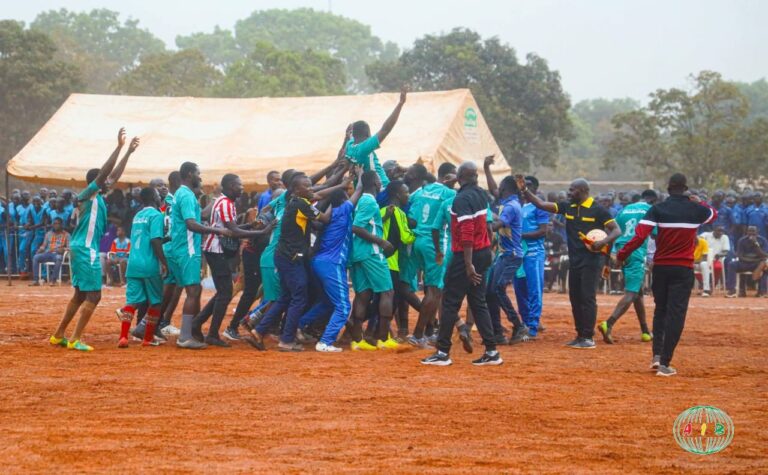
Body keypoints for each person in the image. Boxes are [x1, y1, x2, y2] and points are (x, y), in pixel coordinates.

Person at [616, 173, 717, 377]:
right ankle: (665, 363)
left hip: (661, 268)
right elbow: (713, 214)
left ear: (668, 188)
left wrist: (621, 255)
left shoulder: (658, 209)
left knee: (660, 311)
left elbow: (639, 236)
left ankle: (656, 356)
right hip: (683, 269)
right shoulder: (696, 209)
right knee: (676, 314)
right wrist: (699, 201)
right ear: (685, 189)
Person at [49, 129, 138, 352]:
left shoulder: (96, 196)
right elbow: (106, 173)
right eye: (104, 180)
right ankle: (75, 338)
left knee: (80, 294)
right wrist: (118, 147)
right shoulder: (87, 194)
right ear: (96, 182)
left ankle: (59, 335)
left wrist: (128, 152)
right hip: (85, 249)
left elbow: (113, 176)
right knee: (95, 295)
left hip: (82, 248)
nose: (109, 182)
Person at [519, 177, 621, 349]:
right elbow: (541, 204)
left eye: (572, 190)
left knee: (587, 297)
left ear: (583, 191)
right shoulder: (568, 206)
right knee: (575, 298)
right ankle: (580, 334)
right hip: (575, 260)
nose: (569, 192)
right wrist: (525, 191)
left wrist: (603, 242)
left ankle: (588, 337)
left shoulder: (598, 210)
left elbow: (616, 230)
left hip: (591, 260)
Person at [422, 162, 502, 366]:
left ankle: (442, 352)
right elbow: (486, 226)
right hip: (483, 252)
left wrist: (468, 264)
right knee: (478, 301)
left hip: (466, 256)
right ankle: (492, 352)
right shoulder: (481, 194)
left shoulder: (461, 199)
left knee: (450, 302)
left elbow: (467, 232)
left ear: (460, 177)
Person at [251, 173, 330, 352]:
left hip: (284, 256)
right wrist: (336, 204)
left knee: (285, 297)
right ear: (295, 189)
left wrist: (339, 188)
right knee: (299, 297)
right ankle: (286, 340)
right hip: (292, 258)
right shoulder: (301, 204)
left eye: (310, 185)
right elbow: (325, 219)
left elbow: (318, 194)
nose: (310, 188)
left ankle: (259, 330)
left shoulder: (294, 202)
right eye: (306, 186)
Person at [191, 174, 272, 347]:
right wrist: (261, 232)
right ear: (229, 186)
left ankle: (197, 324)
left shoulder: (225, 202)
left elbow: (230, 228)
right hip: (216, 250)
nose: (242, 188)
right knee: (225, 293)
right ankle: (212, 334)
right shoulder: (226, 203)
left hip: (216, 250)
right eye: (238, 185)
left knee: (223, 292)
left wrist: (250, 226)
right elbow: (234, 231)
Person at [298, 170, 364, 352]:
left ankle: (298, 325)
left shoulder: (330, 214)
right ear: (343, 198)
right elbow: (359, 190)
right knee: (343, 306)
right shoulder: (344, 210)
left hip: (318, 262)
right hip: (332, 264)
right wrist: (360, 174)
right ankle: (325, 342)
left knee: (327, 302)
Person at [171, 162, 230, 350]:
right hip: (187, 248)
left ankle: (192, 332)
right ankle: (185, 336)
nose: (200, 176)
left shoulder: (182, 194)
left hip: (182, 247)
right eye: (198, 173)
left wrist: (216, 199)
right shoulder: (187, 195)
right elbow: (191, 224)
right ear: (190, 174)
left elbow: (201, 216)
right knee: (193, 291)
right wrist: (218, 230)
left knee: (195, 289)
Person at [405, 163, 457, 347]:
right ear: (449, 176)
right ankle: (418, 335)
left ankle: (429, 331)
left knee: (428, 288)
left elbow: (411, 215)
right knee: (435, 291)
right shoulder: (450, 194)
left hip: (417, 241)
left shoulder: (422, 190)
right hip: (436, 245)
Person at [597, 189, 657, 344]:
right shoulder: (650, 210)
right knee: (631, 293)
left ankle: (645, 331)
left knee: (638, 292)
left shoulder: (625, 209)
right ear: (653, 200)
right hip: (636, 251)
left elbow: (611, 230)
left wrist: (608, 257)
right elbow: (656, 234)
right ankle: (608, 323)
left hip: (620, 252)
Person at [115, 187, 168, 348]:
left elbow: (144, 238)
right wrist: (164, 262)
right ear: (153, 197)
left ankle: (123, 337)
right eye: (158, 195)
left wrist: (165, 239)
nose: (160, 197)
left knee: (132, 301)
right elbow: (154, 240)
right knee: (156, 302)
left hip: (133, 263)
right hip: (149, 263)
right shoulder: (156, 215)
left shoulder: (138, 216)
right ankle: (147, 338)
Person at [485, 175, 529, 344]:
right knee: (490, 292)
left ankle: (518, 325)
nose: (497, 190)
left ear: (504, 189)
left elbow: (496, 226)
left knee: (497, 289)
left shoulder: (511, 206)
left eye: (500, 188)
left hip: (512, 255)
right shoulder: (509, 202)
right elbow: (493, 190)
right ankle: (497, 332)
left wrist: (483, 219)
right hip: (504, 255)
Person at [345, 87, 407, 193]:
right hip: (382, 190)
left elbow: (350, 138)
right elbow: (385, 129)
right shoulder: (364, 148)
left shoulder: (349, 146)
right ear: (368, 134)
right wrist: (400, 104)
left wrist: (348, 135)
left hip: (364, 192)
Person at [726, 226, 768, 298]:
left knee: (764, 266)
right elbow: (739, 255)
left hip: (756, 264)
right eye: (749, 231)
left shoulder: (763, 240)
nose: (751, 233)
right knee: (731, 265)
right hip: (744, 263)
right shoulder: (742, 240)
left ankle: (762, 291)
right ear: (747, 232)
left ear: (757, 232)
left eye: (753, 231)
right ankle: (732, 290)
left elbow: (764, 255)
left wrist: (756, 244)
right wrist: (750, 260)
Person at [30, 218, 70, 285]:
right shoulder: (48, 234)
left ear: (61, 225)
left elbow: (69, 247)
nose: (55, 225)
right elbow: (44, 245)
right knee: (36, 257)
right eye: (54, 224)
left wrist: (63, 249)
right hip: (48, 253)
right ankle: (36, 280)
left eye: (57, 224)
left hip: (57, 254)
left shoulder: (67, 235)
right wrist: (40, 249)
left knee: (58, 258)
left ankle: (53, 280)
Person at [700, 225, 731, 290]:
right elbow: (697, 240)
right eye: (719, 231)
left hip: (716, 259)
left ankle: (713, 284)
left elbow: (726, 251)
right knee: (696, 267)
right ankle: (703, 283)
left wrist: (720, 254)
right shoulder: (706, 235)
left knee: (718, 267)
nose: (721, 233)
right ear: (714, 230)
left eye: (722, 231)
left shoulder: (725, 237)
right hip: (703, 258)